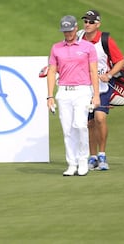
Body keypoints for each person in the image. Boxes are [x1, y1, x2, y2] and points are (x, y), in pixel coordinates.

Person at [47, 15, 100, 176]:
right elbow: (51, 72)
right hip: (63, 91)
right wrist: (50, 96)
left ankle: (83, 161)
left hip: (83, 91)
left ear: (76, 28)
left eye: (70, 30)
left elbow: (93, 71)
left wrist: (96, 94)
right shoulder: (56, 48)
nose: (68, 33)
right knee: (67, 129)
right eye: (65, 31)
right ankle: (72, 163)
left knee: (80, 125)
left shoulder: (87, 47)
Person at [79, 10, 124, 171]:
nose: (87, 24)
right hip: (84, 87)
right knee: (88, 123)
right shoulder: (79, 38)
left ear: (98, 24)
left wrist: (110, 74)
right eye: (85, 21)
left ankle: (102, 154)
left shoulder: (105, 40)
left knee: (99, 118)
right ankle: (92, 157)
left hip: (103, 88)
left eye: (91, 22)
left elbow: (120, 61)